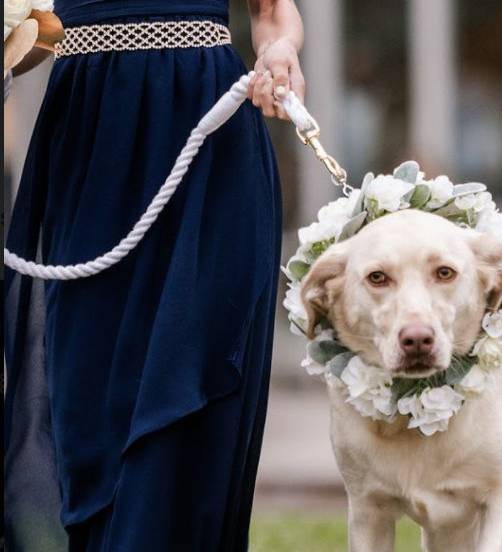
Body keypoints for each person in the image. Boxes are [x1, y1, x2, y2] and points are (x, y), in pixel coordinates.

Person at [4, 1, 303, 550]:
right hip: (88, 144)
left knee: (189, 384)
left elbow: (272, 11)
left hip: (205, 137)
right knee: (87, 402)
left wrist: (279, 50)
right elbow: (28, 30)